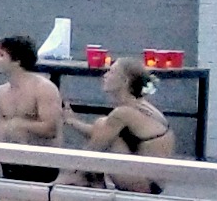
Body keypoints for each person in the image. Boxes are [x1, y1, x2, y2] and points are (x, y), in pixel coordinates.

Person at [71, 59, 174, 191]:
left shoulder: (123, 113)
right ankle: (91, 181)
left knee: (102, 129)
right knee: (103, 125)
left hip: (145, 183)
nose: (105, 75)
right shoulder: (139, 104)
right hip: (152, 181)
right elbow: (99, 133)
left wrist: (71, 169)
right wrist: (72, 122)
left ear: (125, 81)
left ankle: (89, 181)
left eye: (111, 72)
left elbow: (94, 148)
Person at [0, 34, 68, 183]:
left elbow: (51, 130)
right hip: (9, 161)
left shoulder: (44, 88)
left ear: (17, 61)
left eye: (1, 55)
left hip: (42, 164)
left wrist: (20, 124)